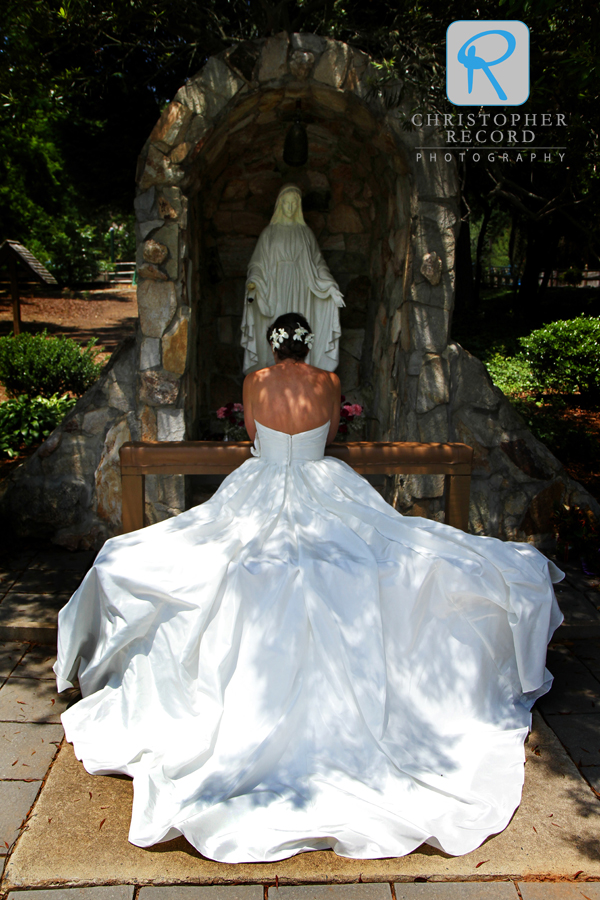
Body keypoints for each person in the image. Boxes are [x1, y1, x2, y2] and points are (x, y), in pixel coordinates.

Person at [54, 311, 563, 864]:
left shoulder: (255, 381)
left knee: (207, 547)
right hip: (325, 482)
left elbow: (253, 436)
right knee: (383, 547)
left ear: (273, 346)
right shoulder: (330, 383)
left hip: (261, 480)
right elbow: (332, 435)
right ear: (309, 342)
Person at [240, 185, 344, 373]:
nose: (290, 208)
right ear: (280, 205)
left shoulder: (305, 234)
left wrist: (330, 285)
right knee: (279, 325)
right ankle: (273, 375)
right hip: (275, 288)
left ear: (298, 206)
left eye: (293, 204)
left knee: (298, 325)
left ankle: (303, 375)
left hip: (301, 286)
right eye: (286, 203)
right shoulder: (269, 234)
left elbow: (318, 264)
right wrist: (254, 280)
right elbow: (257, 264)